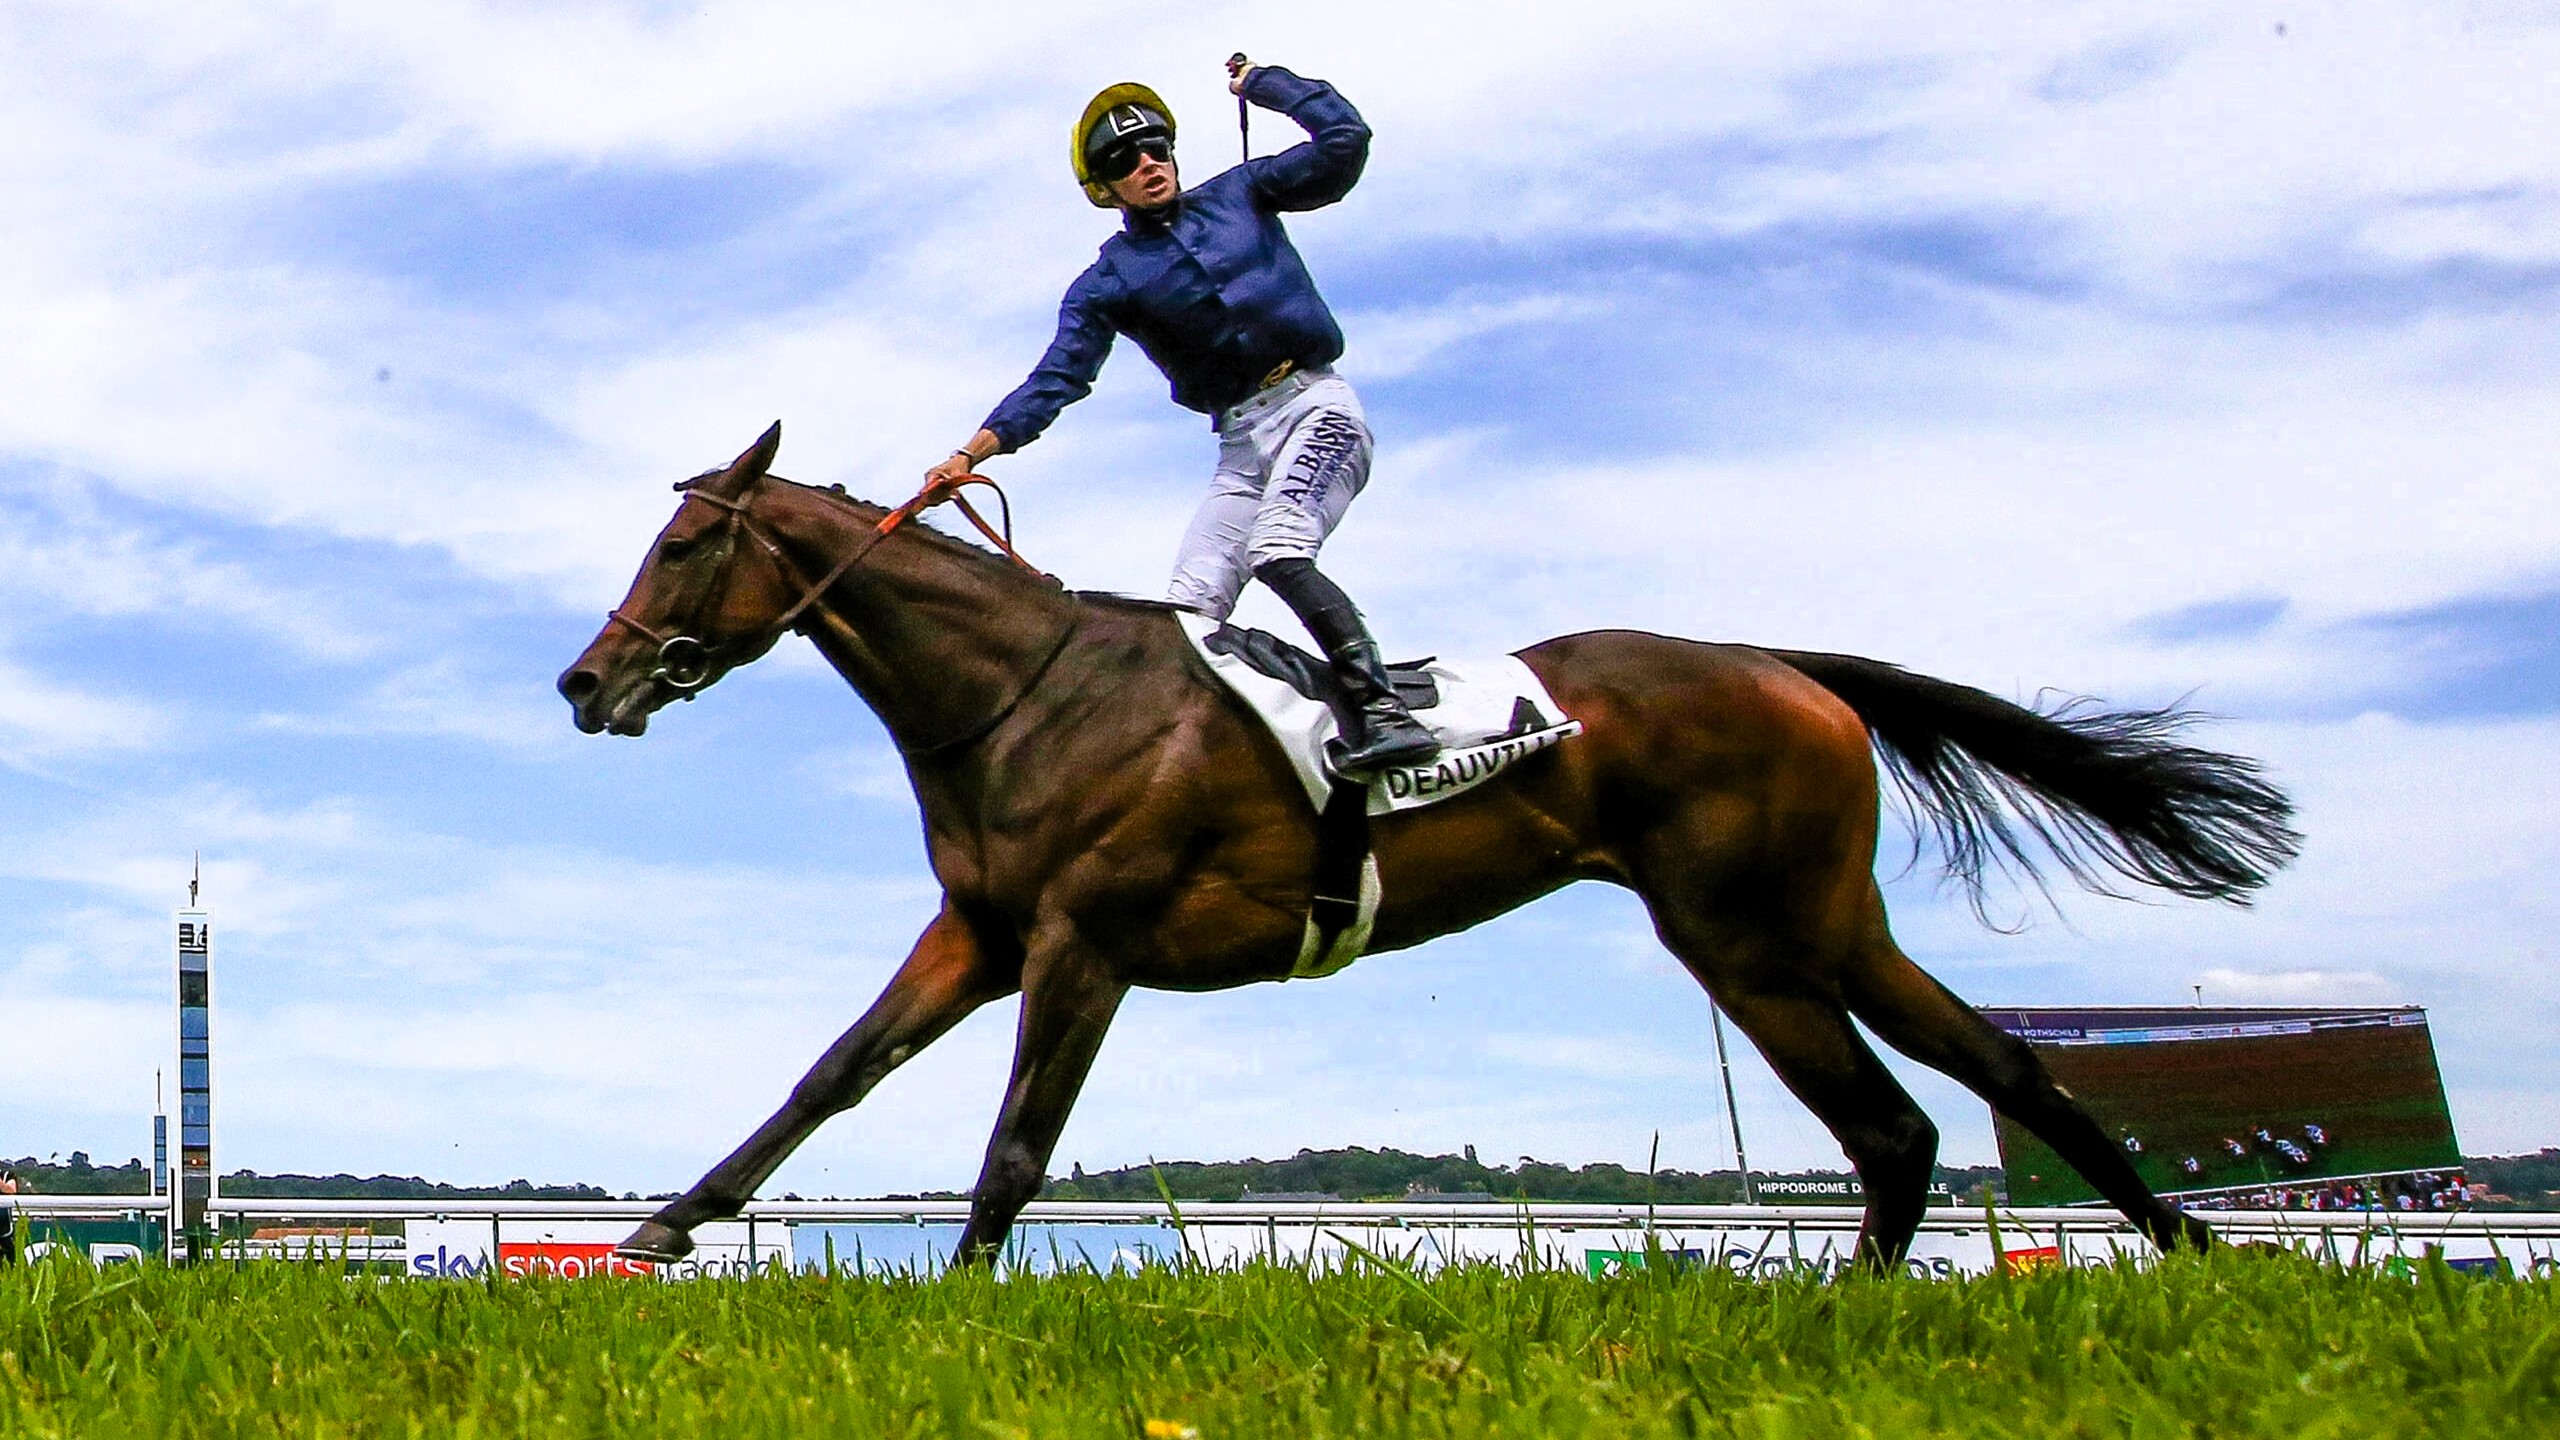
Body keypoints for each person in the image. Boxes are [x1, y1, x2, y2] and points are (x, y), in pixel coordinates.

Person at [922, 58, 1439, 774]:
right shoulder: (1106, 282)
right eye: (1124, 160)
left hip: (1316, 407)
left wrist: (1266, 84)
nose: (1147, 163)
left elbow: (1345, 141)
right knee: (1183, 622)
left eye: (1156, 146)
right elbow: (1059, 376)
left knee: (1279, 549)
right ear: (1104, 188)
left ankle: (1380, 709)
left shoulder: (1244, 191)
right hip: (1240, 445)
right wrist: (971, 454)